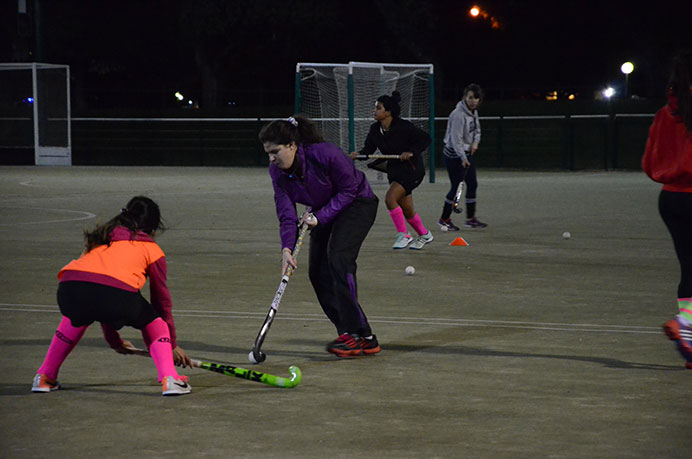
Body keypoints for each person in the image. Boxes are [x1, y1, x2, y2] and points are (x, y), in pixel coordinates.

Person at [32, 196, 193, 395]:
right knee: (156, 323)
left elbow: (98, 296)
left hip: (69, 290)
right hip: (114, 296)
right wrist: (171, 345)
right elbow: (161, 302)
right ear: (152, 229)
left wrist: (114, 341)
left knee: (75, 318)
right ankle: (170, 378)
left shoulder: (101, 238)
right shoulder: (152, 249)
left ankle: (45, 377)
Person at [260, 115, 381, 357]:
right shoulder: (278, 173)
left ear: (292, 145)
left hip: (357, 204)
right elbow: (286, 215)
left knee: (338, 259)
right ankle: (357, 334)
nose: (272, 158)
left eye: (276, 151)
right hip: (323, 211)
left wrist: (321, 217)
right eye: (268, 153)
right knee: (317, 273)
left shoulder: (326, 154)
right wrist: (286, 249)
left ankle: (355, 335)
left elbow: (349, 190)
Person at [642, 50, 692, 369]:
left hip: (670, 199)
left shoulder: (665, 112)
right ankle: (683, 325)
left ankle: (689, 338)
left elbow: (649, 161)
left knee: (689, 268)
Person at [351, 91, 434, 250]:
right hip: (395, 171)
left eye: (378, 108)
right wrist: (358, 155)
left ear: (388, 112)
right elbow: (368, 150)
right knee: (407, 210)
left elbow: (425, 139)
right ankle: (425, 234)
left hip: (412, 169)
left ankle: (403, 234)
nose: (374, 111)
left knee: (390, 198)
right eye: (375, 107)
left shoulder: (404, 126)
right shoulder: (375, 129)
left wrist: (411, 151)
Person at [438, 83, 488, 230]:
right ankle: (444, 218)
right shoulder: (458, 114)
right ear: (465, 97)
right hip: (454, 156)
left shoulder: (473, 112)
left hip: (465, 154)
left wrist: (475, 143)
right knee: (456, 187)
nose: (473, 101)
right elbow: (455, 139)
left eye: (476, 98)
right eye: (470, 97)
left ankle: (470, 219)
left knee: (472, 184)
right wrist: (463, 158)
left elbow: (477, 130)